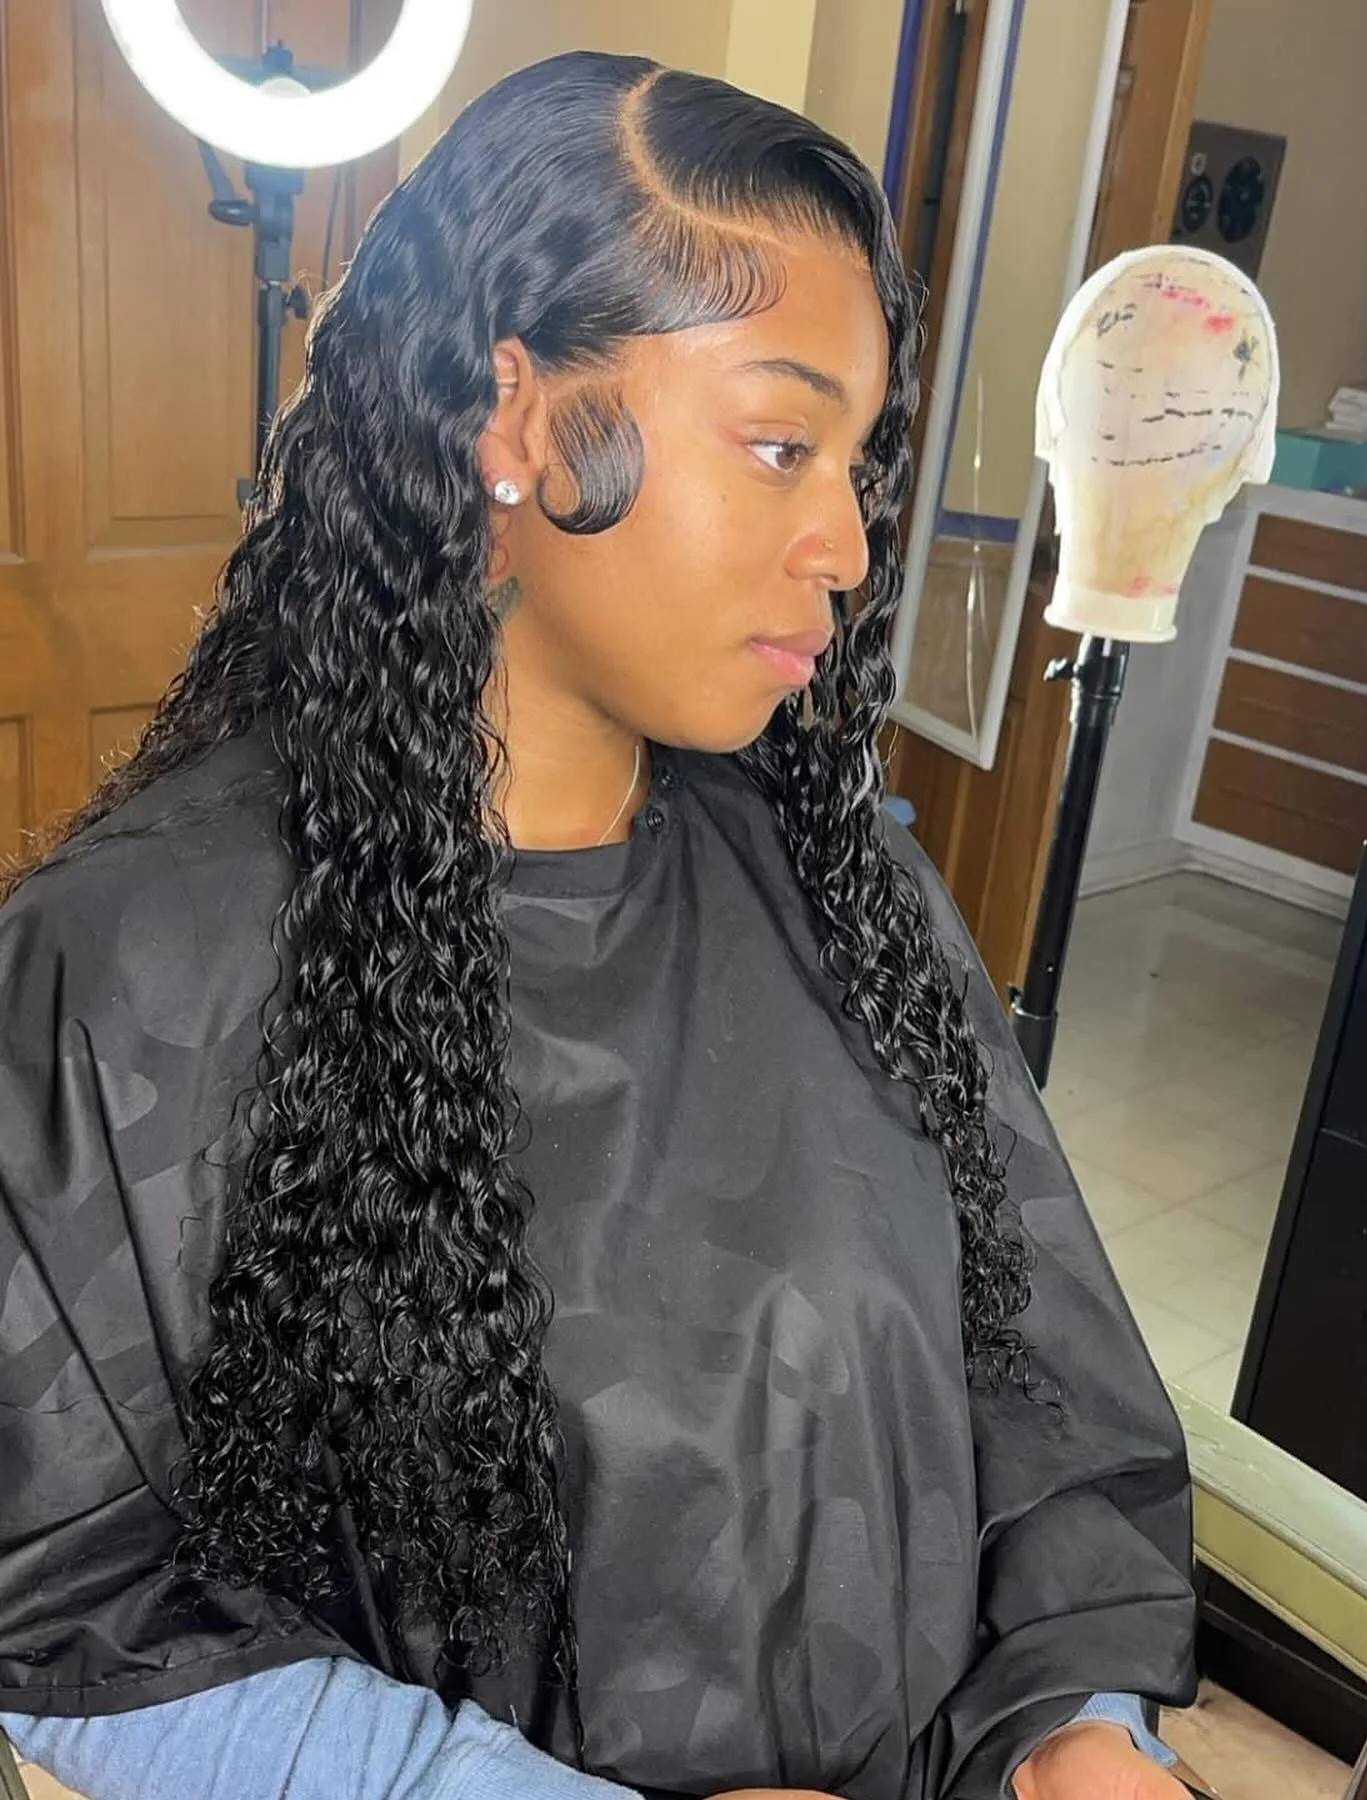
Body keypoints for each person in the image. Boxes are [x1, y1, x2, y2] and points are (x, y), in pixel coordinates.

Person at [0, 51, 1196, 1800]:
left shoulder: (844, 885)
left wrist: (1079, 1726)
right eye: (780, 445)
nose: (846, 545)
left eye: (855, 462)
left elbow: (1027, 1377)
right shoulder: (132, 965)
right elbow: (62, 1609)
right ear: (520, 417)